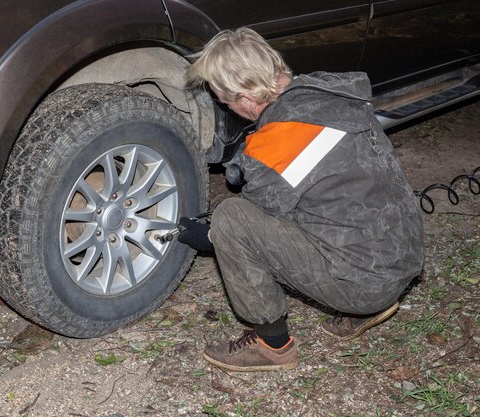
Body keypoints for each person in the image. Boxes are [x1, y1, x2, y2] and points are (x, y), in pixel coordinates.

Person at [179, 28, 424, 372]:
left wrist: (205, 236)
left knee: (232, 217)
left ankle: (272, 345)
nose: (228, 108)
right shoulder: (328, 96)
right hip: (401, 257)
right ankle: (367, 304)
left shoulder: (281, 138)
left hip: (367, 280)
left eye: (225, 101)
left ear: (247, 96)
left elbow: (253, 220)